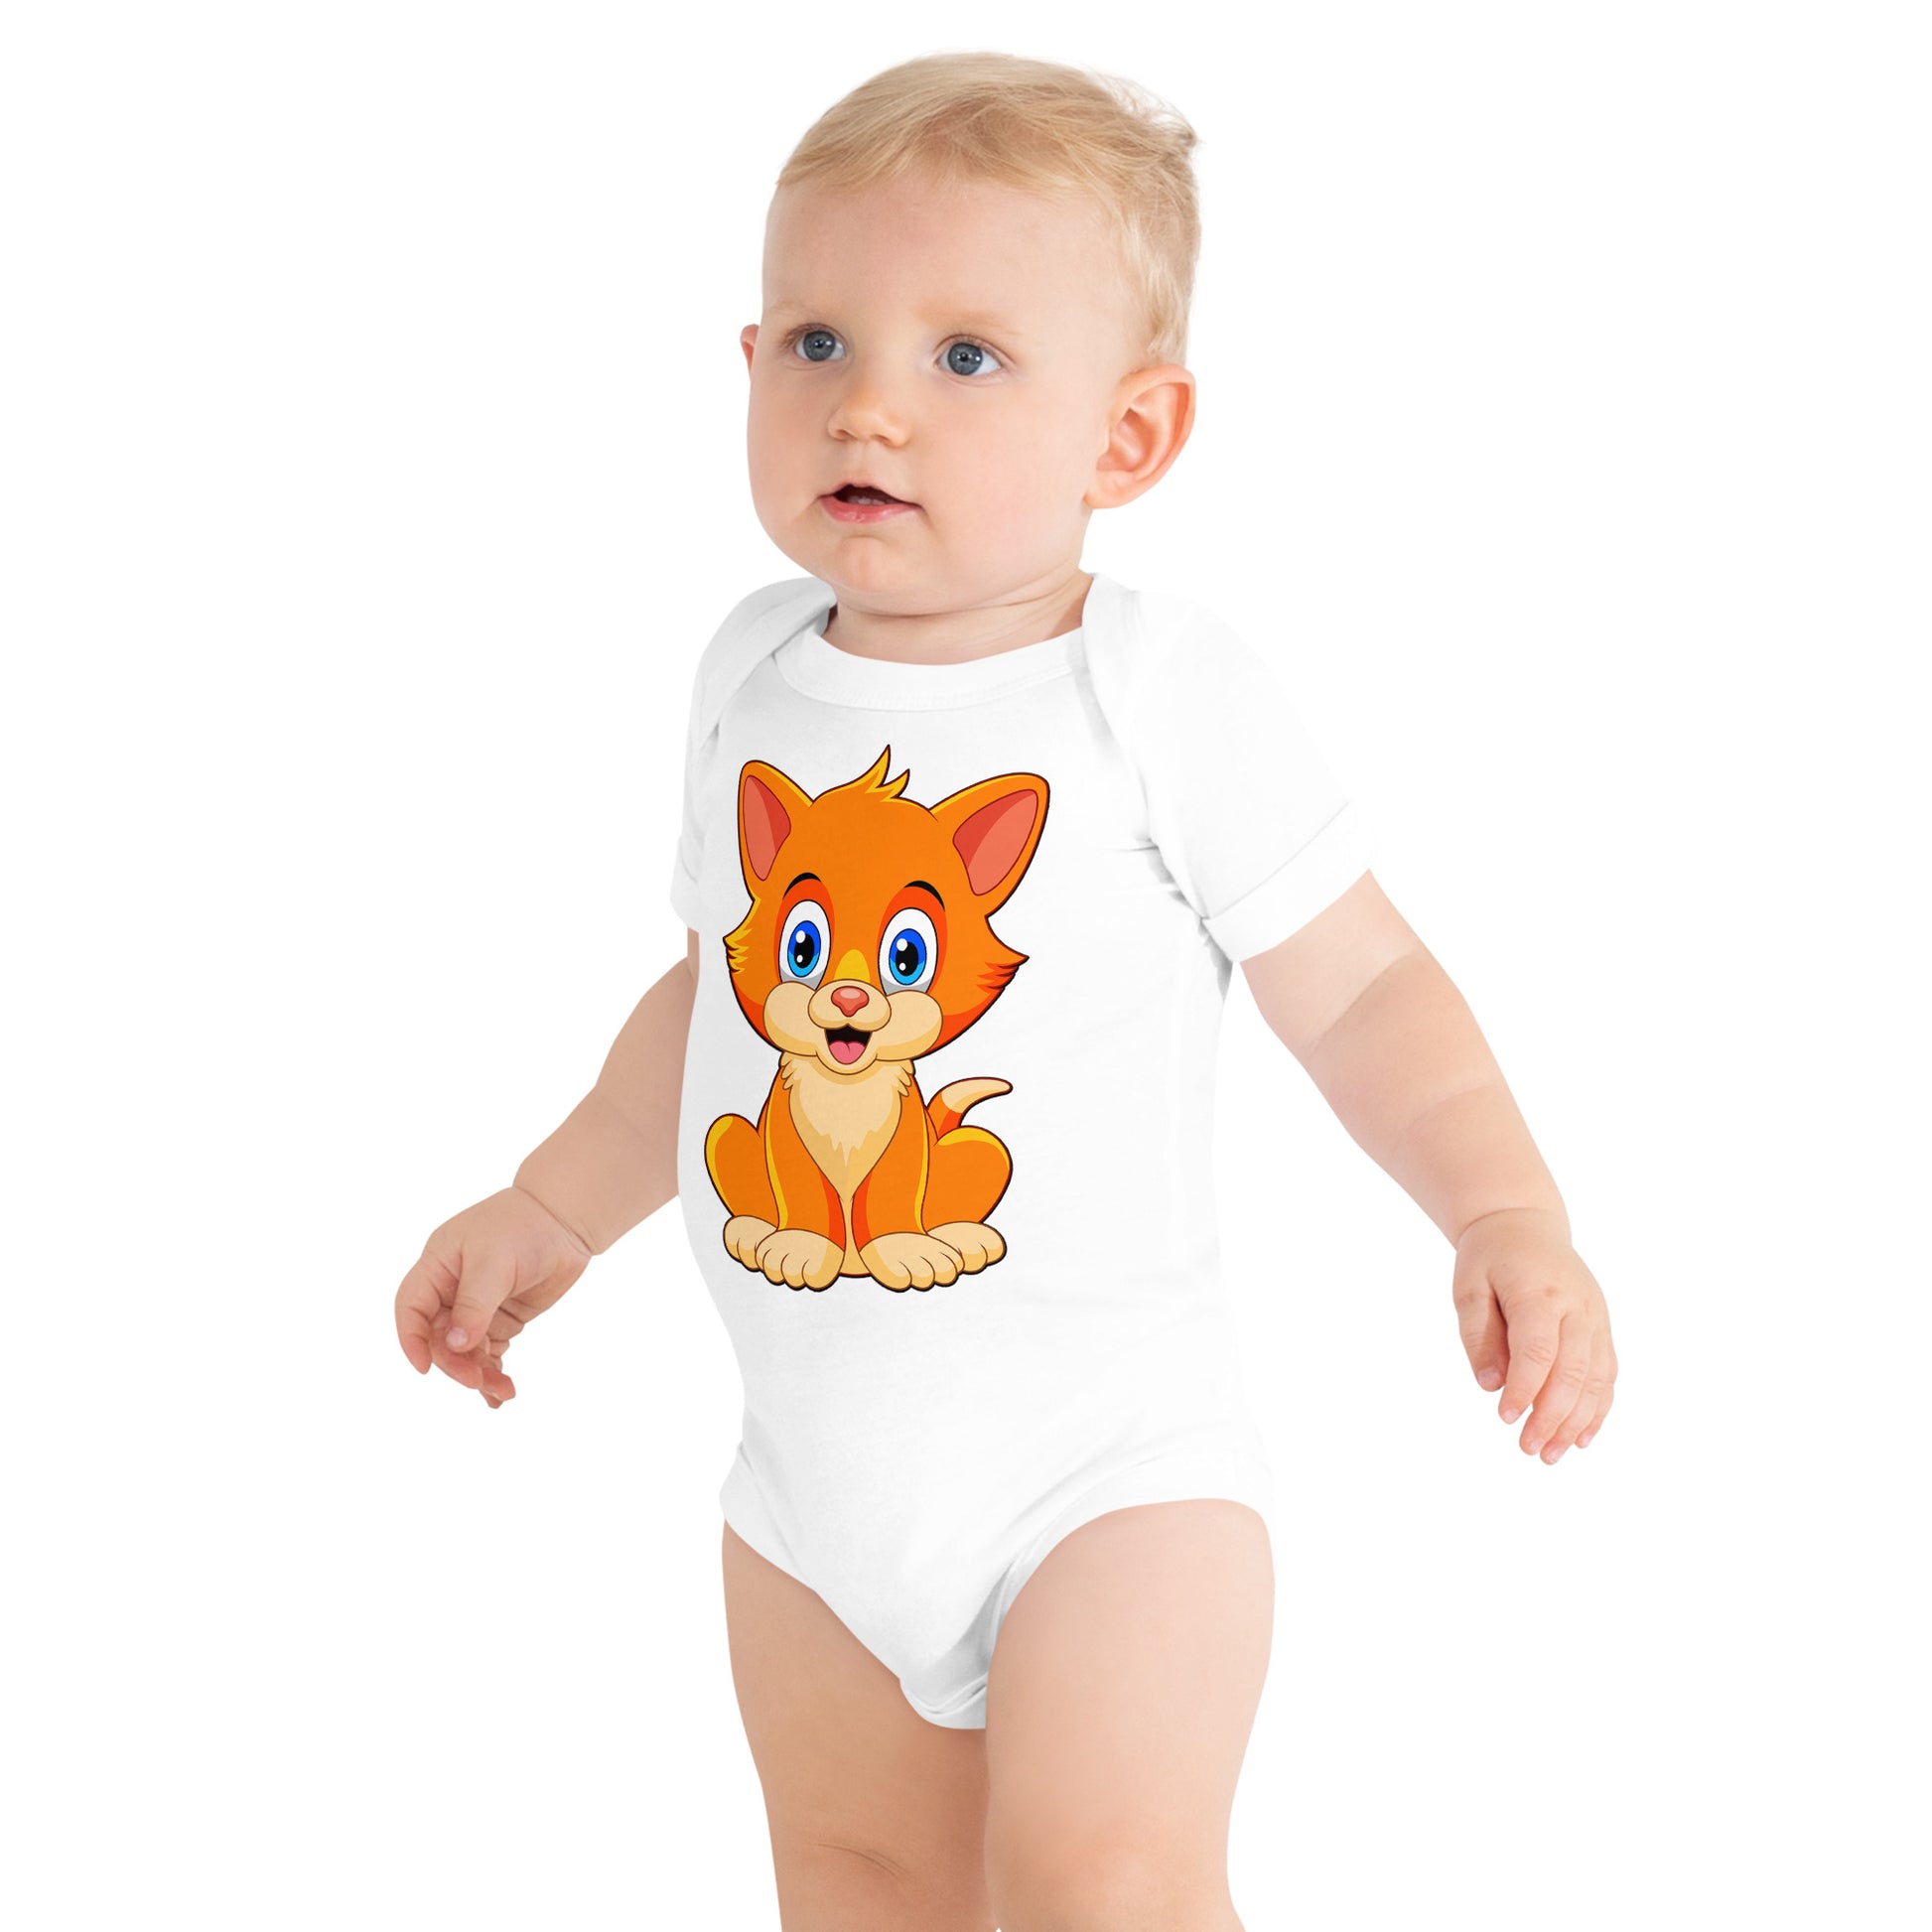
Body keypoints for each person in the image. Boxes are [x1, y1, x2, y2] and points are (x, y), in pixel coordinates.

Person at [393, 50, 1617, 1932]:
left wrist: (1502, 1208)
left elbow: (1364, 982)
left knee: (1103, 1886)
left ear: (1127, 438)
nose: (869, 400)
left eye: (964, 355)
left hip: (1107, 1477)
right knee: (860, 1886)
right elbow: (717, 999)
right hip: (809, 1495)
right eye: (818, 341)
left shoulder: (1152, 689)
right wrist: (552, 1203)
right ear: (746, 363)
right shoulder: (748, 677)